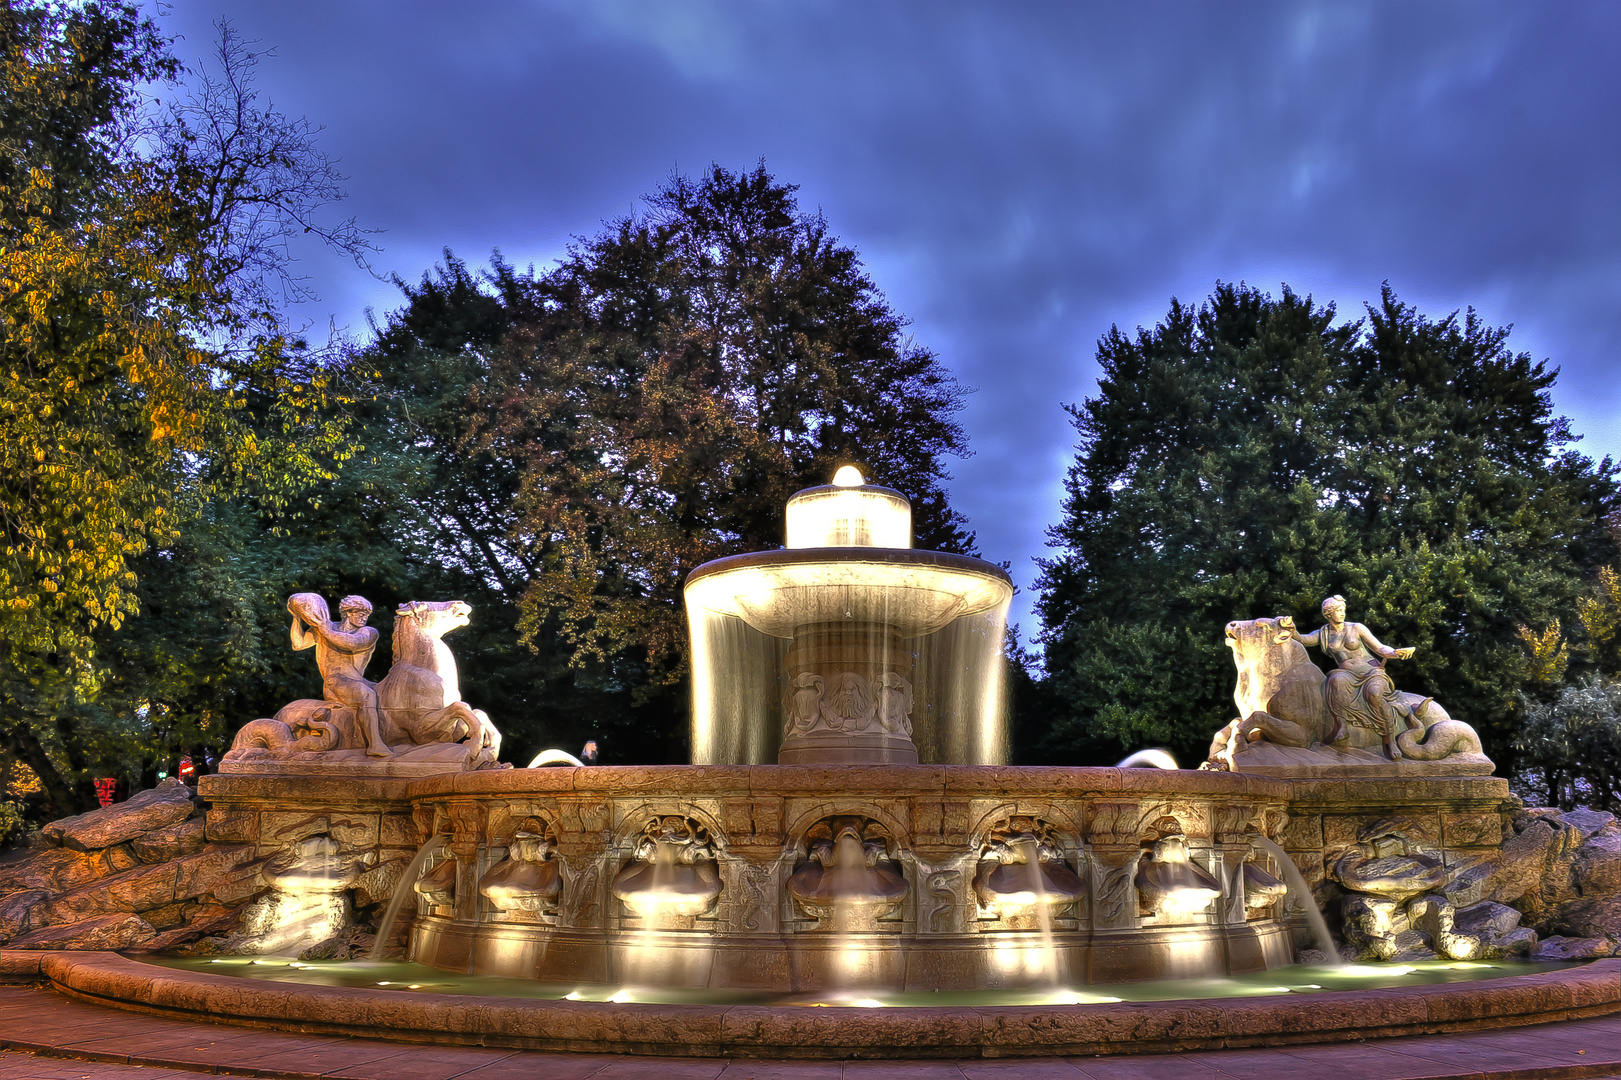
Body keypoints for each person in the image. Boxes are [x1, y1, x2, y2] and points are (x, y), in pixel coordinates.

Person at [1280, 595, 1421, 760]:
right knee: (1334, 681)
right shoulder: (1324, 633)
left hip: (1370, 672)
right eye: (1338, 610)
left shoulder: (1357, 628)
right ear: (1328, 613)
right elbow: (1303, 639)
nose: (1342, 613)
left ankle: (1390, 737)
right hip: (1345, 673)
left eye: (1343, 610)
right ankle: (1342, 725)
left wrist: (1395, 653)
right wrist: (1292, 629)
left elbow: (1380, 648)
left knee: (1375, 694)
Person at [290, 594, 391, 757]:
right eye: (361, 613)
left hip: (357, 681)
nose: (365, 618)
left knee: (388, 693)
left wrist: (325, 630)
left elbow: (352, 644)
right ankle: (375, 745)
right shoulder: (325, 627)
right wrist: (297, 617)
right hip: (335, 683)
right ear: (348, 612)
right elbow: (298, 644)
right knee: (367, 695)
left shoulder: (369, 632)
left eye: (367, 615)